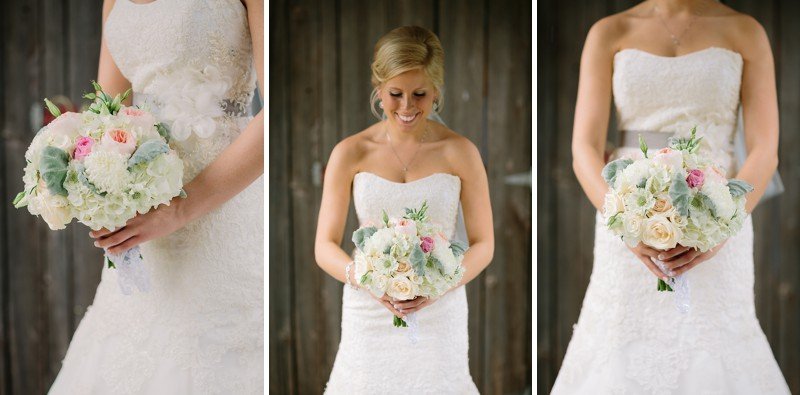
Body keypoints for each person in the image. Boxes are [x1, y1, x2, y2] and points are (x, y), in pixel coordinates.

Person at [554, 0, 790, 393]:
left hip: (718, 212)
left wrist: (721, 227)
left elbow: (765, 150)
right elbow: (584, 150)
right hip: (630, 213)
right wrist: (623, 224)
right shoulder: (610, 32)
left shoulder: (744, 31)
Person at [49, 0, 264, 393]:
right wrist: (94, 186)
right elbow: (107, 112)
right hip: (144, 220)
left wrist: (181, 208)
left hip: (224, 209)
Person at [314, 26, 494, 394]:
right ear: (378, 89)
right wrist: (367, 279)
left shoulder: (461, 152)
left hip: (440, 308)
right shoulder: (350, 152)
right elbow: (324, 246)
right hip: (370, 309)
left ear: (437, 91)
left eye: (420, 94)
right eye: (396, 94)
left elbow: (484, 243)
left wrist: (439, 286)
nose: (408, 107)